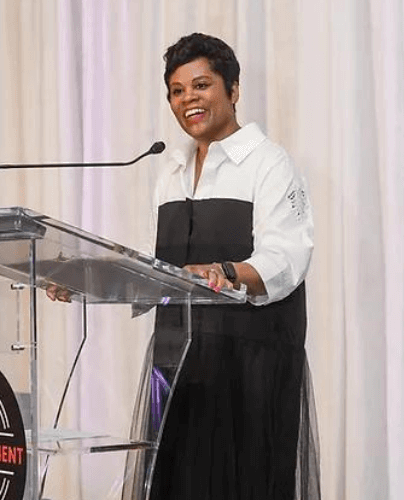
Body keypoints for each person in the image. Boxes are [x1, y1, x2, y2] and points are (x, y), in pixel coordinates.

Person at [144, 33, 318, 499]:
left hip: (249, 369)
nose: (188, 100)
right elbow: (158, 270)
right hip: (179, 367)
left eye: (200, 85)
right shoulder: (170, 174)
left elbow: (287, 258)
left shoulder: (269, 164)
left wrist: (225, 270)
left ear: (233, 89)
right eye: (177, 92)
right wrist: (82, 279)